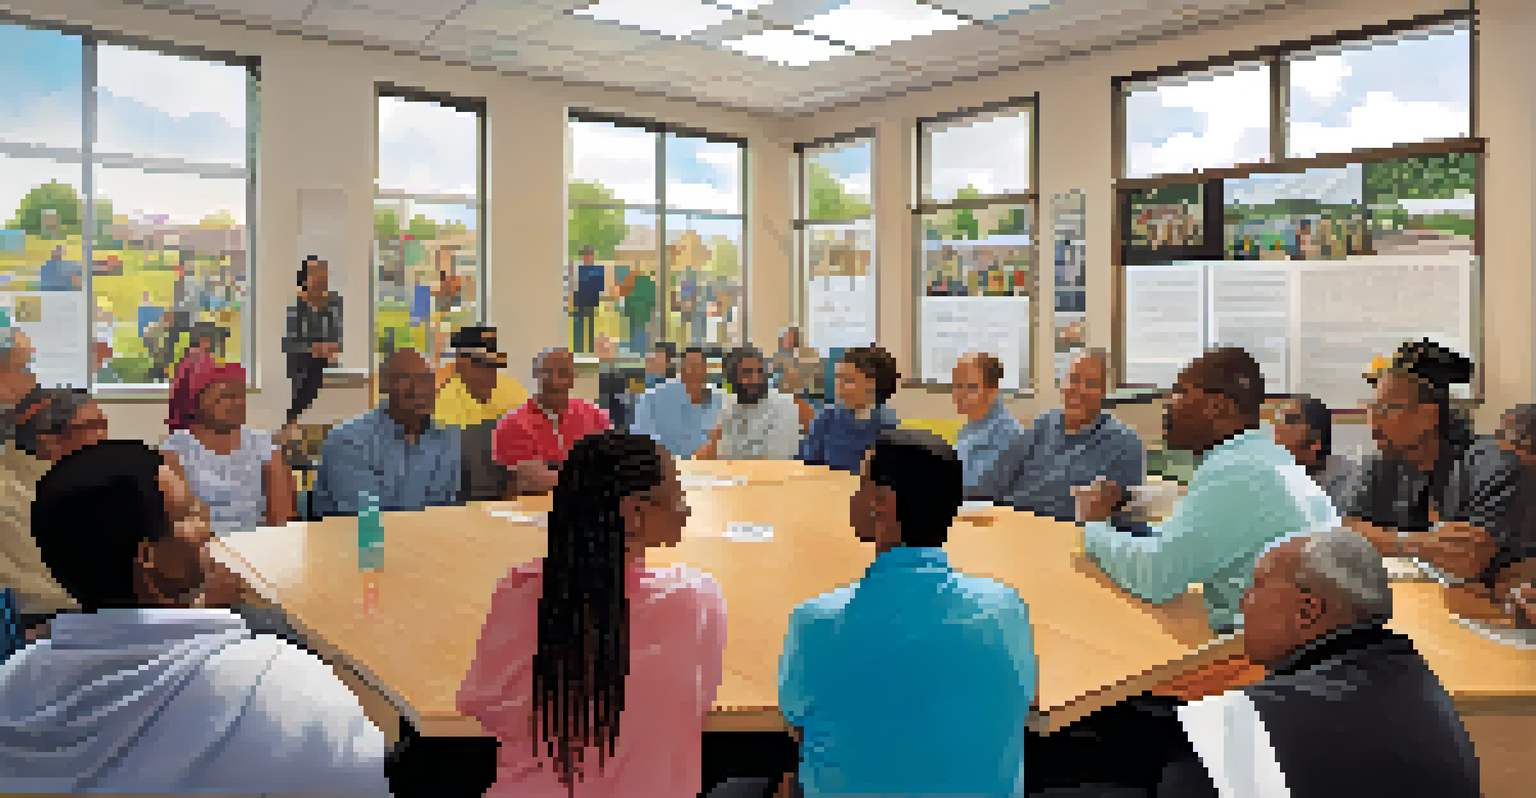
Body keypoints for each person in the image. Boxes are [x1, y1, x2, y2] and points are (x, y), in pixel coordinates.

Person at [0, 441, 389, 792]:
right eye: (188, 514)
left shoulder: (13, 683)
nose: (205, 527)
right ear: (149, 559)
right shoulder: (276, 679)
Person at [458, 431, 725, 797]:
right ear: (633, 514)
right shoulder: (696, 599)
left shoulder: (518, 592)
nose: (685, 508)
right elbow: (702, 699)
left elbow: (480, 705)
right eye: (676, 494)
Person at [779, 428, 1035, 796]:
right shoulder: (1007, 609)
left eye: (861, 482)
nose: (853, 495)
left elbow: (796, 724)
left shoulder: (817, 623)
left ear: (881, 503)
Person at [1169, 527, 1481, 798]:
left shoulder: (1256, 720)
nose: (1243, 600)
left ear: (1307, 611)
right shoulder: (1418, 682)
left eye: (1257, 586)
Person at [1074, 347, 1339, 635]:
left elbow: (1157, 576)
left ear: (1218, 407)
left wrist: (1095, 525)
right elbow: (1189, 545)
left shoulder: (1237, 471)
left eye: (1179, 392)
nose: (1168, 404)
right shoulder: (1265, 457)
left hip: (1270, 656)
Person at [1340, 340, 1481, 563]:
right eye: (1373, 408)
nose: (1374, 420)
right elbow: (1347, 529)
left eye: (1387, 408)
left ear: (1429, 415)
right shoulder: (1379, 464)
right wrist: (1411, 543)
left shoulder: (1479, 465)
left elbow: (1471, 551)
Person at [0, 387, 106, 636]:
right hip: (52, 623)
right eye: (93, 426)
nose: (104, 436)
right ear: (47, 439)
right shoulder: (21, 495)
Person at [311, 348, 461, 516]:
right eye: (404, 378)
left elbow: (446, 514)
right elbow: (368, 526)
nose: (417, 387)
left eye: (426, 379)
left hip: (423, 539)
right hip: (356, 540)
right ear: (384, 385)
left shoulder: (446, 440)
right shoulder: (349, 441)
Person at [1003, 348, 1145, 522]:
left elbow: (1126, 520)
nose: (1080, 390)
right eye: (1074, 379)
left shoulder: (1125, 444)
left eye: (1091, 383)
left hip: (1073, 541)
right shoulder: (1042, 425)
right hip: (1014, 528)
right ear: (1063, 385)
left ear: (1104, 392)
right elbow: (1006, 483)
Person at [159, 361, 294, 534]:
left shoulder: (265, 447)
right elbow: (176, 521)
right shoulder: (174, 450)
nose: (238, 402)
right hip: (197, 549)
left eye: (241, 395)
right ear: (196, 401)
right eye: (226, 396)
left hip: (258, 549)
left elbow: (283, 520)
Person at [493, 347, 611, 495]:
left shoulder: (596, 416)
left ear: (573, 378)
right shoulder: (513, 424)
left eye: (562, 373)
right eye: (547, 372)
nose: (554, 381)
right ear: (535, 374)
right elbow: (535, 480)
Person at [434, 327, 527, 502]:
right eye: (480, 365)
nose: (489, 373)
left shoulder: (513, 390)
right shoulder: (443, 401)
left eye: (493, 365)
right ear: (460, 364)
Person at [797, 346, 900, 473]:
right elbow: (804, 461)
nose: (839, 385)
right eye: (838, 378)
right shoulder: (828, 416)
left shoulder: (887, 425)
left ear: (871, 384)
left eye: (848, 380)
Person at [696, 345, 800, 461]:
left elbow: (774, 464)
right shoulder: (730, 408)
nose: (755, 379)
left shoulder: (784, 406)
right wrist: (714, 438)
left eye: (759, 371)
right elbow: (708, 458)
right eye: (747, 373)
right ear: (732, 377)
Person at [282, 255, 342, 442]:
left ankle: (292, 424)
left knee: (315, 369)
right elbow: (287, 342)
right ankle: (290, 424)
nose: (321, 278)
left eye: (323, 273)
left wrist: (332, 346)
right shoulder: (295, 306)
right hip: (300, 361)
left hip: (319, 363)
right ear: (305, 279)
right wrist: (312, 348)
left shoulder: (332, 303)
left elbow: (334, 333)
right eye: (315, 273)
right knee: (306, 367)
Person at [952, 352, 1025, 503]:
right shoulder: (971, 426)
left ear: (993, 389)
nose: (960, 395)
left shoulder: (1011, 436)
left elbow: (977, 490)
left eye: (971, 387)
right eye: (957, 386)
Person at [631, 346, 723, 460]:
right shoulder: (652, 398)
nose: (694, 372)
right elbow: (641, 436)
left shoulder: (720, 401)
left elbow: (724, 444)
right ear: (681, 369)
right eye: (690, 366)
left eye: (699, 367)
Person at [1271, 393, 1356, 508]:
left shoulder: (1354, 486)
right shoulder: (1274, 478)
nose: (1277, 428)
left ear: (1314, 443)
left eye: (1289, 420)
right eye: (1278, 419)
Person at [617, 264, 656, 355]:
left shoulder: (632, 283)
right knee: (642, 334)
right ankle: (641, 353)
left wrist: (627, 310)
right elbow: (652, 300)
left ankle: (638, 353)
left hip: (636, 315)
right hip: (643, 315)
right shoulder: (648, 282)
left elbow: (627, 299)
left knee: (637, 335)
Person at [571, 245, 603, 354]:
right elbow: (573, 285)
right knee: (578, 327)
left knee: (590, 328)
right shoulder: (577, 269)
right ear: (583, 256)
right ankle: (578, 350)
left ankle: (590, 350)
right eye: (586, 255)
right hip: (579, 302)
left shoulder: (598, 270)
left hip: (591, 302)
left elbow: (600, 286)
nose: (588, 257)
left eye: (590, 255)